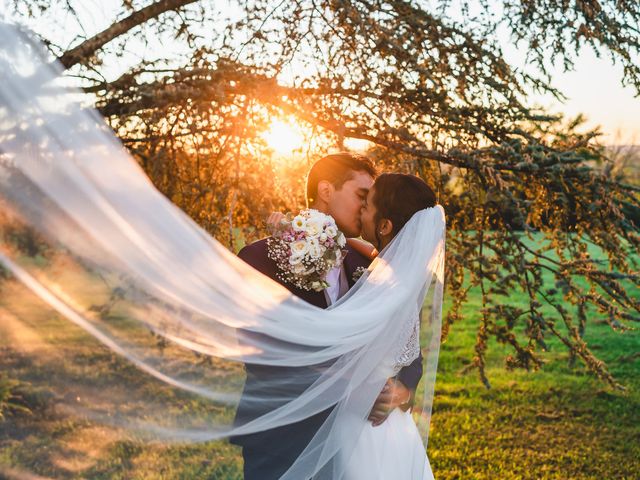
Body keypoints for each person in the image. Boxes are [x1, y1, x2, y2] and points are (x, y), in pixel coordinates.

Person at [230, 153, 425, 479]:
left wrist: (402, 388)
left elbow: (403, 339)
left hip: (355, 444)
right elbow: (260, 348)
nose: (366, 209)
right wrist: (357, 386)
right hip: (283, 437)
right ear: (325, 190)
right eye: (361, 196)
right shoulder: (260, 258)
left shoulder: (368, 264)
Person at [343, 172, 438, 479]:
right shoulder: (398, 274)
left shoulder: (382, 286)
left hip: (364, 424)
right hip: (394, 426)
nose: (360, 210)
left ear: (384, 226)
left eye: (367, 205)